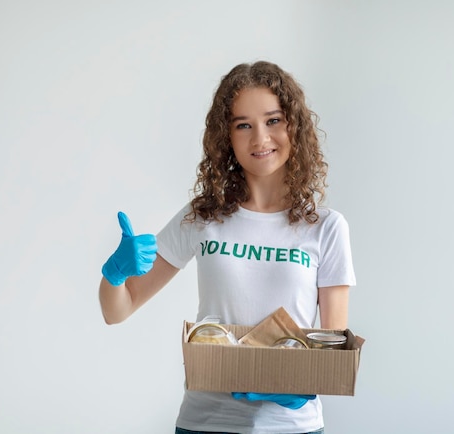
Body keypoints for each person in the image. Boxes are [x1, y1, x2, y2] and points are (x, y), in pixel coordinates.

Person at [99, 61, 356, 434]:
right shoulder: (202, 217)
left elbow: (332, 350)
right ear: (226, 137)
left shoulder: (326, 228)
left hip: (292, 427)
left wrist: (300, 388)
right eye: (243, 125)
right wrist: (114, 275)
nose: (260, 139)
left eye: (273, 120)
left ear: (294, 126)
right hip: (206, 423)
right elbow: (117, 311)